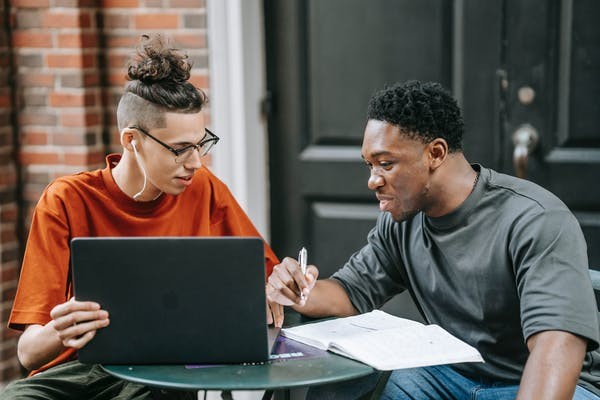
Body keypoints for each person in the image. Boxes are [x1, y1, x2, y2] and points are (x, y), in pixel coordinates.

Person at [267, 80, 600, 399]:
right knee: (342, 387)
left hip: (535, 381)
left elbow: (556, 348)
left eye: (385, 164)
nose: (372, 181)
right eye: (369, 165)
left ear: (436, 153)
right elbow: (350, 292)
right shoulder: (402, 222)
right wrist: (298, 291)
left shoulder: (534, 219)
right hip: (451, 377)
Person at [1, 34, 279, 399]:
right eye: (180, 150)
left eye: (201, 144)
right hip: (79, 370)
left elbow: (267, 282)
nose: (196, 162)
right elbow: (28, 352)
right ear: (131, 140)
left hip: (167, 370)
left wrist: (275, 289)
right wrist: (59, 331)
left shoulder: (205, 189)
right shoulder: (66, 200)